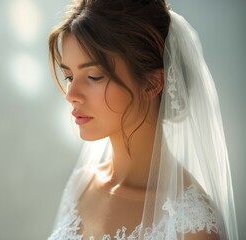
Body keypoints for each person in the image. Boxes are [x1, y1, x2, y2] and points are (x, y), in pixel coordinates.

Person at [47, 0, 238, 239]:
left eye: (94, 76)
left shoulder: (191, 226)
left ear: (152, 83)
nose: (71, 95)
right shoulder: (82, 184)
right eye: (69, 76)